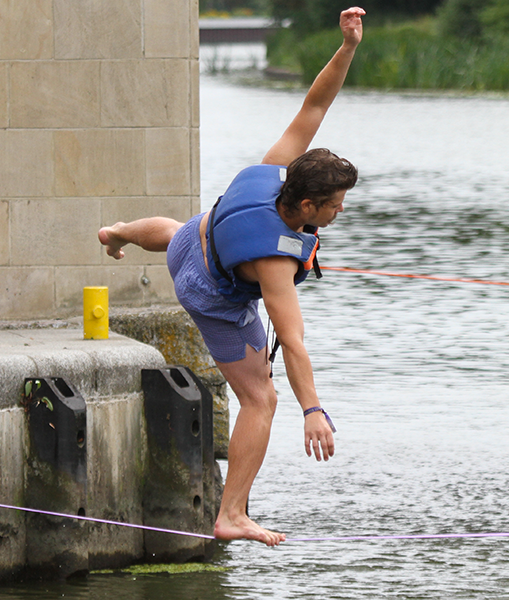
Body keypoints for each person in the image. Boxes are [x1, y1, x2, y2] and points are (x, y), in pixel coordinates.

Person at [99, 7, 365, 546]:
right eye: (336, 206)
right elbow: (291, 340)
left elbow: (315, 104)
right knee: (261, 399)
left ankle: (119, 232)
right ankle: (232, 514)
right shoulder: (274, 262)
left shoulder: (275, 171)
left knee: (180, 228)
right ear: (309, 204)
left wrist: (348, 48)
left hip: (188, 245)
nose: (340, 212)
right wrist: (311, 410)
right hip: (209, 295)